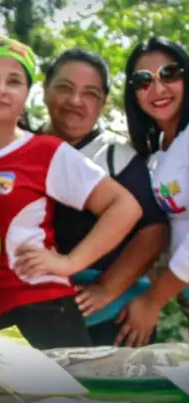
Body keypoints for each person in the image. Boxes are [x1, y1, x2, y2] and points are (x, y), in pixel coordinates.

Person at [0, 37, 142, 349]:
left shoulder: (45, 150)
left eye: (14, 81)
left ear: (27, 93)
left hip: (42, 312)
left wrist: (70, 263)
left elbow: (125, 207)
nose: (1, 89)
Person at [42, 48, 169, 346]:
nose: (75, 101)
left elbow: (155, 230)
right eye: (65, 88)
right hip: (35, 313)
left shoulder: (116, 155)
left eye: (90, 93)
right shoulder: (22, 150)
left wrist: (105, 289)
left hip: (114, 319)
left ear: (103, 101)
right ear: (44, 89)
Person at [119, 37, 189, 345]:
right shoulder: (159, 151)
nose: (157, 89)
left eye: (169, 74)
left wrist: (152, 300)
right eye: (143, 81)